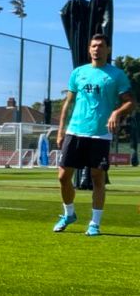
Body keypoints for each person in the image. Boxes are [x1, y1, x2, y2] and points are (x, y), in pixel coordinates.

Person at [54, 33, 135, 236]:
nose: (96, 49)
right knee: (64, 177)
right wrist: (61, 129)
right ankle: (69, 213)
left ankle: (94, 223)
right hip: (75, 130)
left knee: (97, 177)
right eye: (93, 46)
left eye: (100, 46)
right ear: (89, 49)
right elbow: (68, 103)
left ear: (108, 49)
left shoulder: (116, 75)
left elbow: (130, 102)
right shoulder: (78, 72)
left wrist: (117, 112)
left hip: (100, 134)